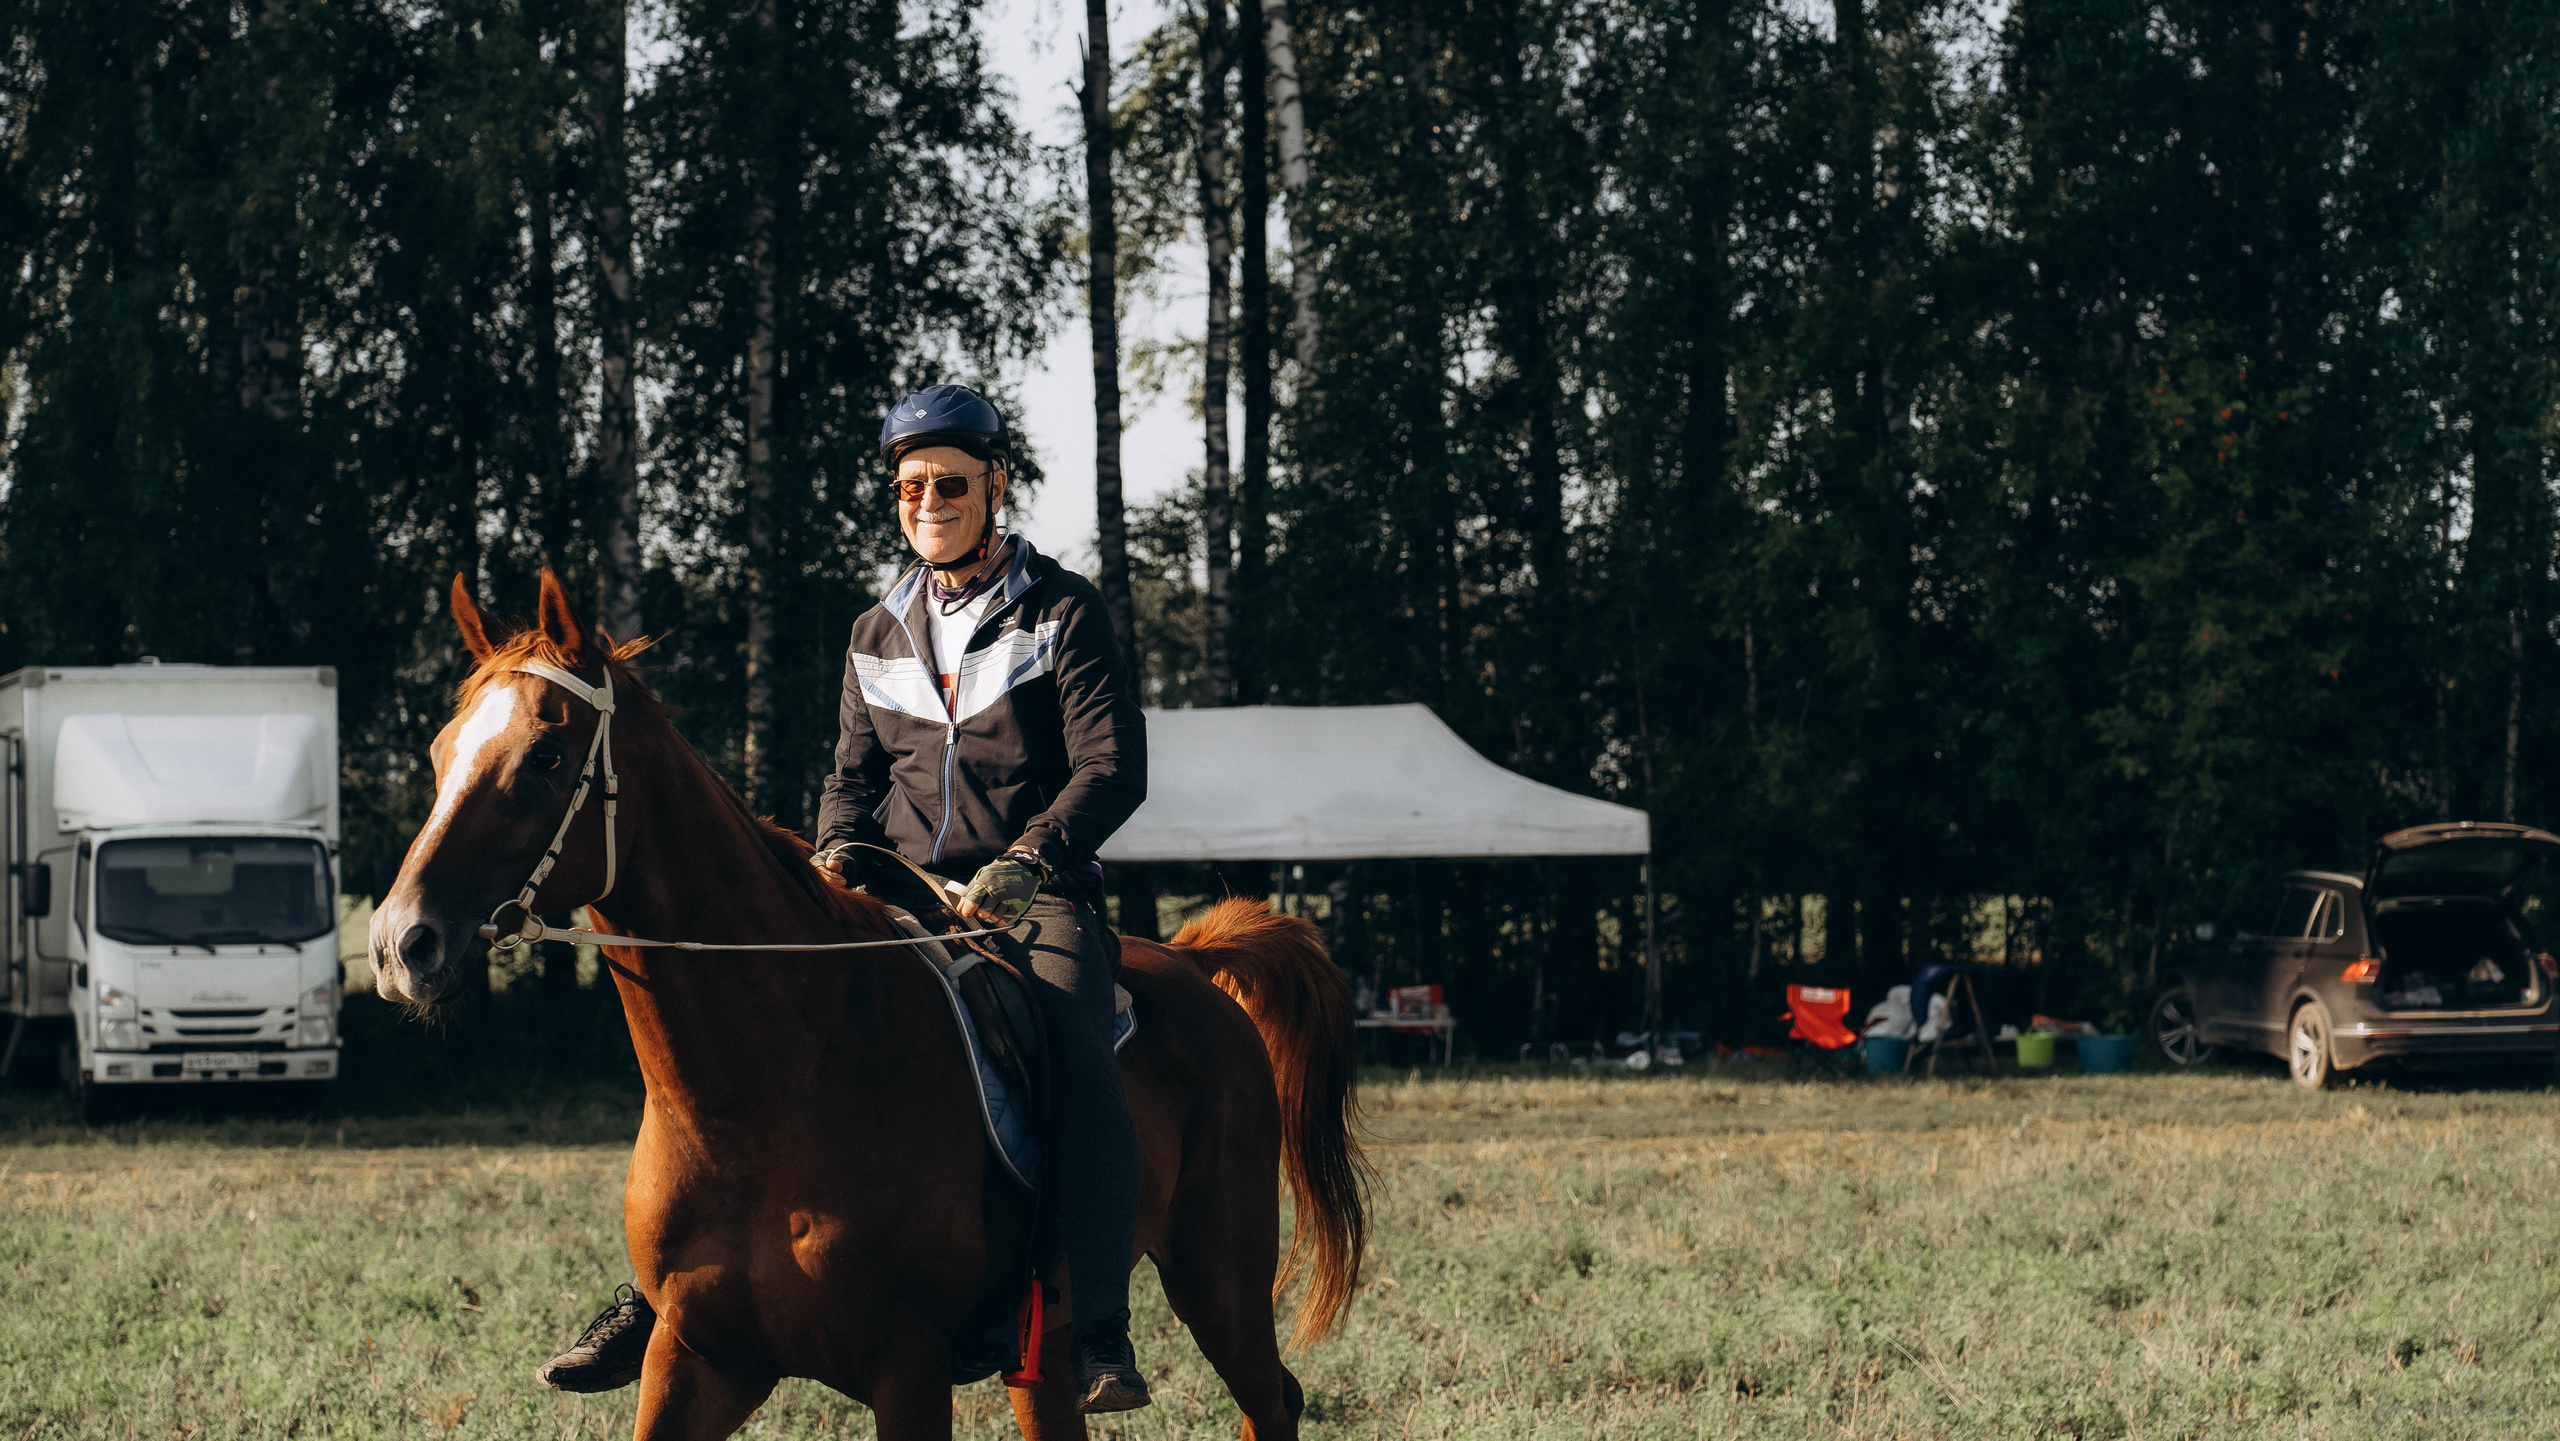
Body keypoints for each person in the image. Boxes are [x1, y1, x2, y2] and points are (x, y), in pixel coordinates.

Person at [535, 384, 1153, 1413]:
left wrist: (1032, 856)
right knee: (746, 1038)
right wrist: (832, 854)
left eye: (950, 483)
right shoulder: (877, 628)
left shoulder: (1063, 610)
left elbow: (1111, 767)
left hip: (1030, 896)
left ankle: (1097, 1328)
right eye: (910, 486)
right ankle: (668, 1290)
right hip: (899, 891)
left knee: (1076, 1055)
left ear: (995, 486)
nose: (929, 501)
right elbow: (850, 779)